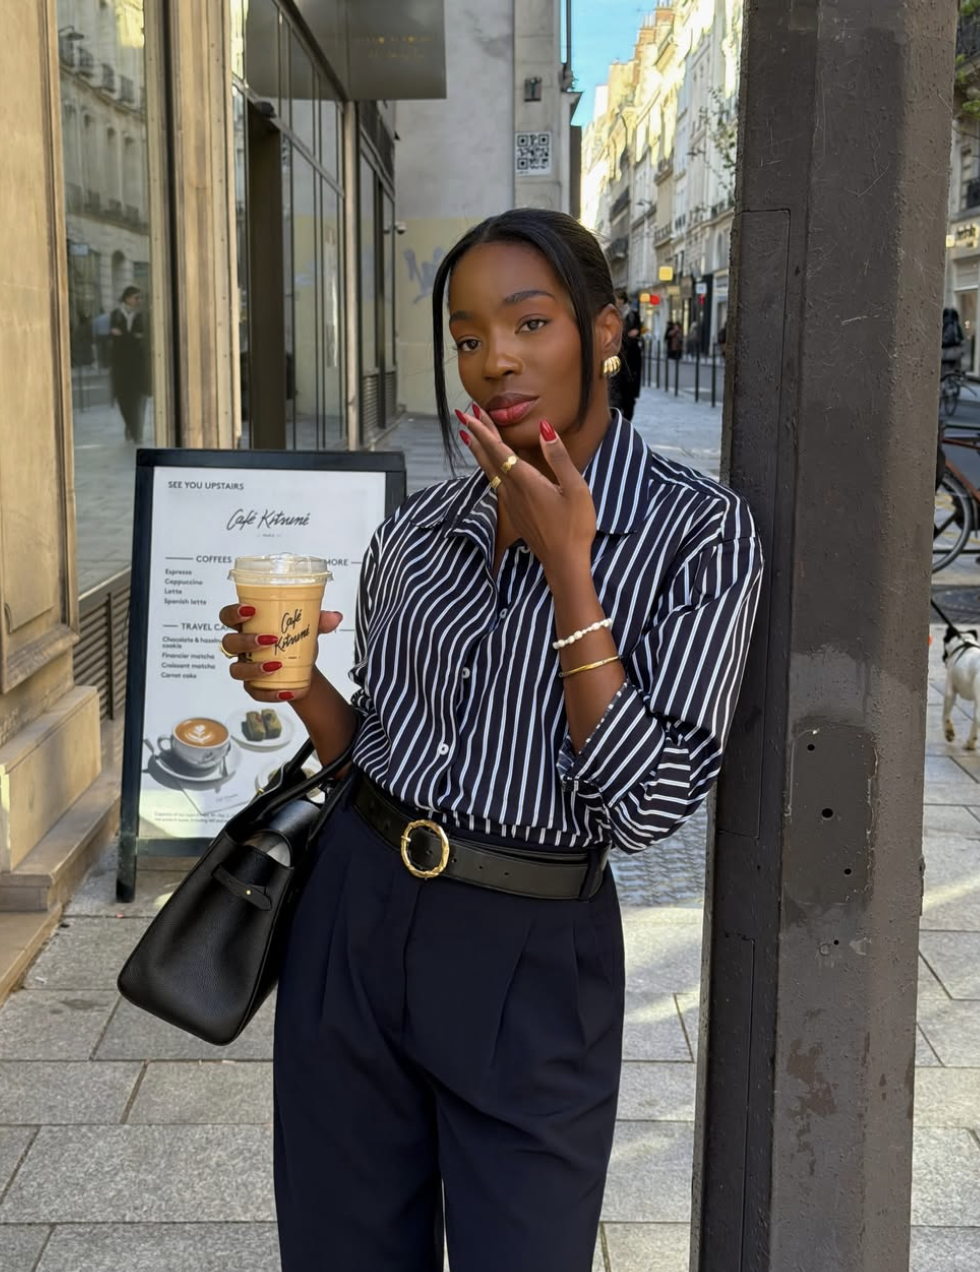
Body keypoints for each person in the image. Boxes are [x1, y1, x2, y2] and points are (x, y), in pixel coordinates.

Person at [218, 208, 763, 1272]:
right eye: (467, 337)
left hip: (531, 948)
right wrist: (295, 684)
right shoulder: (419, 531)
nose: (493, 361)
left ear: (604, 332)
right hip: (355, 915)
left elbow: (645, 808)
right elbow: (373, 749)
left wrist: (571, 571)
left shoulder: (699, 532)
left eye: (528, 322)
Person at [109, 285, 147, 442]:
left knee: (137, 398)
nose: (138, 301)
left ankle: (135, 429)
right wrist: (133, 337)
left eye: (139, 298)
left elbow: (143, 337)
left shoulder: (141, 315)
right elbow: (113, 337)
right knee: (123, 399)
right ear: (127, 298)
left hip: (137, 366)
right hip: (120, 365)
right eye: (136, 297)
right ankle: (130, 425)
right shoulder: (116, 315)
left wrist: (123, 336)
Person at [616, 288, 643, 402]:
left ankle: (629, 402)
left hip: (631, 353)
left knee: (629, 387)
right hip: (617, 353)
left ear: (622, 300)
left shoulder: (632, 314)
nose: (615, 301)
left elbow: (638, 330)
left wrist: (637, 331)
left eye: (617, 299)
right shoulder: (612, 314)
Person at [942, 306, 965, 373]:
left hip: (945, 355)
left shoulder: (945, 325)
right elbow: (961, 339)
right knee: (955, 373)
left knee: (945, 374)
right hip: (956, 353)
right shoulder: (956, 325)